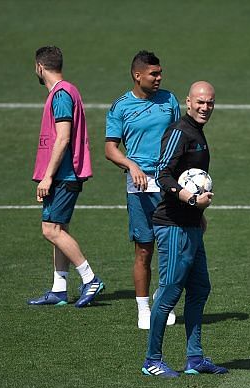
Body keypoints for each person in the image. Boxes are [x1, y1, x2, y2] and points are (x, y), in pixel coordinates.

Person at [142, 81, 227, 377]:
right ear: (188, 102)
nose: (205, 107)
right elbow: (162, 174)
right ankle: (152, 360)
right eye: (200, 102)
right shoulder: (180, 131)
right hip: (174, 225)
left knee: (200, 288)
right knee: (168, 292)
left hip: (191, 224)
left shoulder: (197, 133)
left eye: (210, 103)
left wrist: (198, 213)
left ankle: (195, 359)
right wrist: (191, 198)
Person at [105, 50, 181, 329]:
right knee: (144, 250)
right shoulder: (120, 107)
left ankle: (164, 302)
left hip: (167, 183)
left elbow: (178, 138)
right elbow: (110, 149)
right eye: (154, 74)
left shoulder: (170, 100)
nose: (159, 78)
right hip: (138, 186)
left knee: (170, 247)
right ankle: (143, 309)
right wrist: (131, 166)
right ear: (138, 76)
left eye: (160, 73)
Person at [27, 46, 104, 308]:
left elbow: (63, 137)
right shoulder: (67, 91)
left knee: (51, 230)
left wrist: (47, 177)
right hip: (64, 174)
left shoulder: (60, 95)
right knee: (60, 228)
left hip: (62, 174)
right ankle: (59, 289)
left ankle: (90, 278)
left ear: (39, 67)